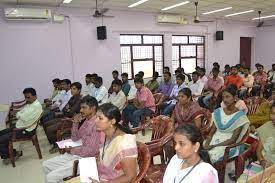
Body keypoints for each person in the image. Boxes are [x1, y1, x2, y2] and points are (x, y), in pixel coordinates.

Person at [65, 103, 138, 183]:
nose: (95, 121)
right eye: (96, 117)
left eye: (100, 118)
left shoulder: (124, 143)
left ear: (112, 121)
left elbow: (131, 176)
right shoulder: (106, 135)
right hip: (100, 177)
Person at [43, 96, 102, 183]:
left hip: (87, 159)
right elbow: (75, 138)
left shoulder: (96, 124)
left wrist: (71, 150)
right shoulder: (87, 120)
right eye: (81, 107)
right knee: (46, 165)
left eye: (84, 108)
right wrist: (75, 123)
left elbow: (91, 151)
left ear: (93, 108)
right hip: (79, 152)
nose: (81, 110)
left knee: (50, 178)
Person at [204, 86, 250, 163]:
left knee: (211, 156)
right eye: (223, 97)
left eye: (228, 97)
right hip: (214, 140)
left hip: (227, 145)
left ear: (235, 97)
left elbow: (233, 139)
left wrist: (214, 146)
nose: (225, 100)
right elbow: (212, 132)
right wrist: (207, 143)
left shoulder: (240, 116)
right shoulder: (218, 112)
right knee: (200, 152)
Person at [0, 88, 42, 164]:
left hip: (26, 130)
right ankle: (13, 153)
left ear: (35, 96)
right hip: (19, 126)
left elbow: (24, 117)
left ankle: (10, 155)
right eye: (25, 97)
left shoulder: (36, 106)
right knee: (1, 133)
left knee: (1, 139)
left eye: (28, 97)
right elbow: (21, 113)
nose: (26, 99)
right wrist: (19, 114)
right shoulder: (30, 104)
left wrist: (18, 114)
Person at [44, 82, 82, 153]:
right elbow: (65, 109)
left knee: (49, 129)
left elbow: (71, 112)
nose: (72, 90)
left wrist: (68, 110)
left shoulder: (79, 100)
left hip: (71, 121)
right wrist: (68, 110)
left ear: (79, 90)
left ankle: (56, 146)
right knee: (46, 124)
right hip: (65, 117)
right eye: (71, 89)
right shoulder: (72, 98)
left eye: (74, 89)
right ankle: (54, 142)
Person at [255, 102, 275, 168]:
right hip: (265, 163)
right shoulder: (266, 127)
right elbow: (259, 150)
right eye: (272, 113)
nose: (273, 117)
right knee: (244, 178)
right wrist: (262, 161)